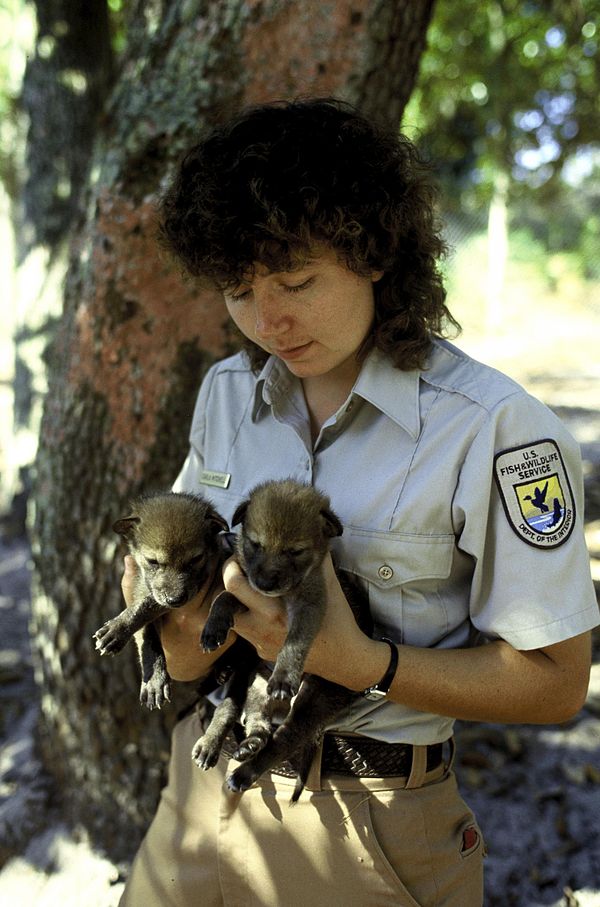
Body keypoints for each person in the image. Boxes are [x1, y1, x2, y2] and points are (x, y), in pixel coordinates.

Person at [118, 98, 598, 907]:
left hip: (364, 826)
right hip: (194, 804)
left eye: (296, 280)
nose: (269, 319)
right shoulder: (227, 395)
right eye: (239, 290)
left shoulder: (496, 430)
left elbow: (556, 684)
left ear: (373, 252)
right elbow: (181, 611)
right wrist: (150, 596)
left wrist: (363, 663)